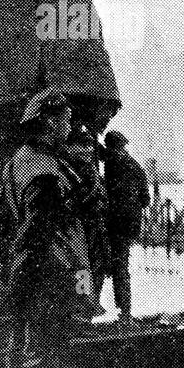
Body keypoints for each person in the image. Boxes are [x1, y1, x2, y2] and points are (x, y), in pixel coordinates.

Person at [0, 88, 100, 368]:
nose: (70, 124)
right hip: (43, 279)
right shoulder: (46, 172)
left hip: (26, 277)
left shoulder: (19, 163)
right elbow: (36, 233)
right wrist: (29, 279)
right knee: (36, 365)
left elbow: (1, 227)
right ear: (49, 122)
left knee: (24, 363)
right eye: (65, 117)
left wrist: (3, 274)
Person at [102, 130, 150, 319]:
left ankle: (123, 310)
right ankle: (124, 310)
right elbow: (146, 199)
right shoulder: (134, 166)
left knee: (115, 267)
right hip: (127, 225)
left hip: (118, 224)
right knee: (118, 267)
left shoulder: (117, 166)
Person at [63, 124, 110, 310]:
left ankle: (90, 306)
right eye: (81, 146)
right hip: (79, 229)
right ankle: (81, 310)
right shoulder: (68, 171)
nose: (87, 150)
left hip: (95, 229)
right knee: (81, 270)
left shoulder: (91, 170)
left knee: (96, 269)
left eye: (88, 146)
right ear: (69, 147)